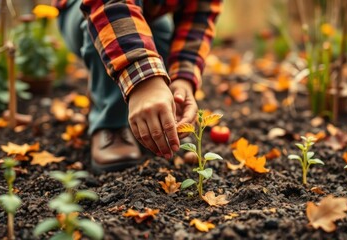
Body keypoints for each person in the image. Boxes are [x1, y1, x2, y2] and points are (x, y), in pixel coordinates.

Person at [54, 0, 221, 171]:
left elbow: (198, 18)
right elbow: (108, 5)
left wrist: (182, 79)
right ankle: (111, 122)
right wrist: (145, 83)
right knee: (108, 26)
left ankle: (157, 117)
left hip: (148, 15)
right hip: (83, 10)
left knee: (161, 30)